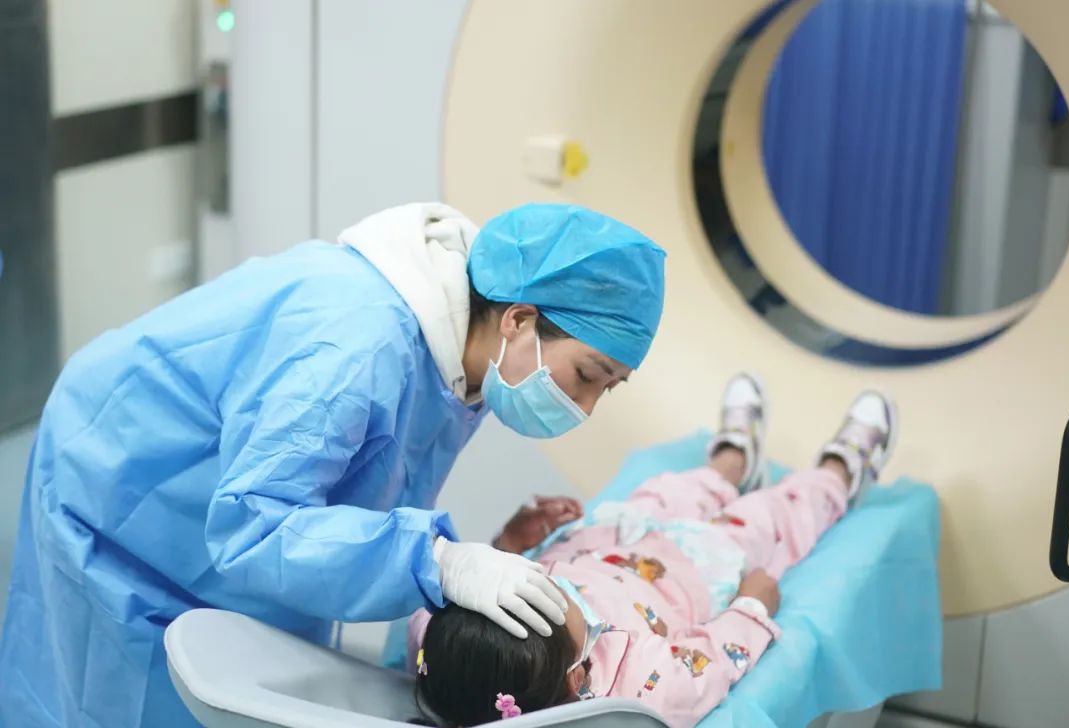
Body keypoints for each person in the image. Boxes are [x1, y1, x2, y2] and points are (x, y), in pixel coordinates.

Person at [0, 202, 666, 728]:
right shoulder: (356, 347)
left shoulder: (470, 363)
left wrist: (475, 558)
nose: (584, 406)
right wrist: (436, 561)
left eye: (607, 388)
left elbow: (362, 492)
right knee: (119, 687)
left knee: (259, 663)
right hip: (122, 477)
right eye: (588, 375)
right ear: (518, 319)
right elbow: (255, 526)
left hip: (231, 498)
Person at [408, 375, 898, 728]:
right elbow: (712, 659)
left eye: (533, 577)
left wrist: (508, 545)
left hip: (605, 542)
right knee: (773, 516)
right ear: (578, 677)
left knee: (669, 491)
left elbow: (450, 593)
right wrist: (751, 605)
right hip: (694, 570)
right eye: (565, 598)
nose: (553, 581)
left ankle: (732, 462)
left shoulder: (441, 647)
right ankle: (840, 471)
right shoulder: (644, 686)